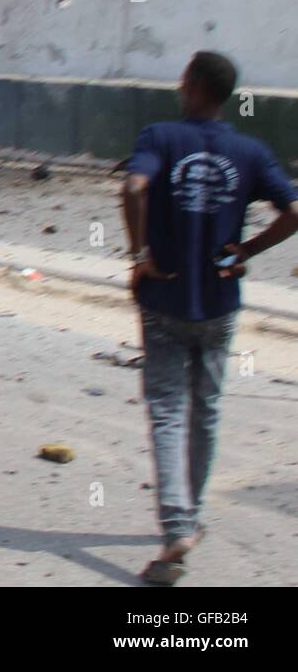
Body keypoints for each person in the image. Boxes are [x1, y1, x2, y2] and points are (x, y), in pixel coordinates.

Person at [122, 50, 298, 585]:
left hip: (164, 300)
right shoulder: (249, 151)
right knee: (207, 411)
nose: (179, 85)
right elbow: (293, 211)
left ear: (193, 85)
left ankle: (177, 525)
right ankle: (188, 519)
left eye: (183, 79)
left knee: (168, 412)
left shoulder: (159, 137)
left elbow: (133, 188)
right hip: (220, 303)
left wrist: (140, 255)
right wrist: (245, 251)